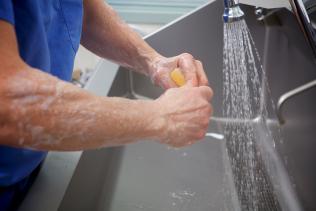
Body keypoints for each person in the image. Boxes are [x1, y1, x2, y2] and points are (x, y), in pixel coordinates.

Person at [0, 0, 213, 210]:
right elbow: (6, 101)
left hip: (29, 162)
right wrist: (162, 118)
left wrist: (154, 62)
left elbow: (85, 11)